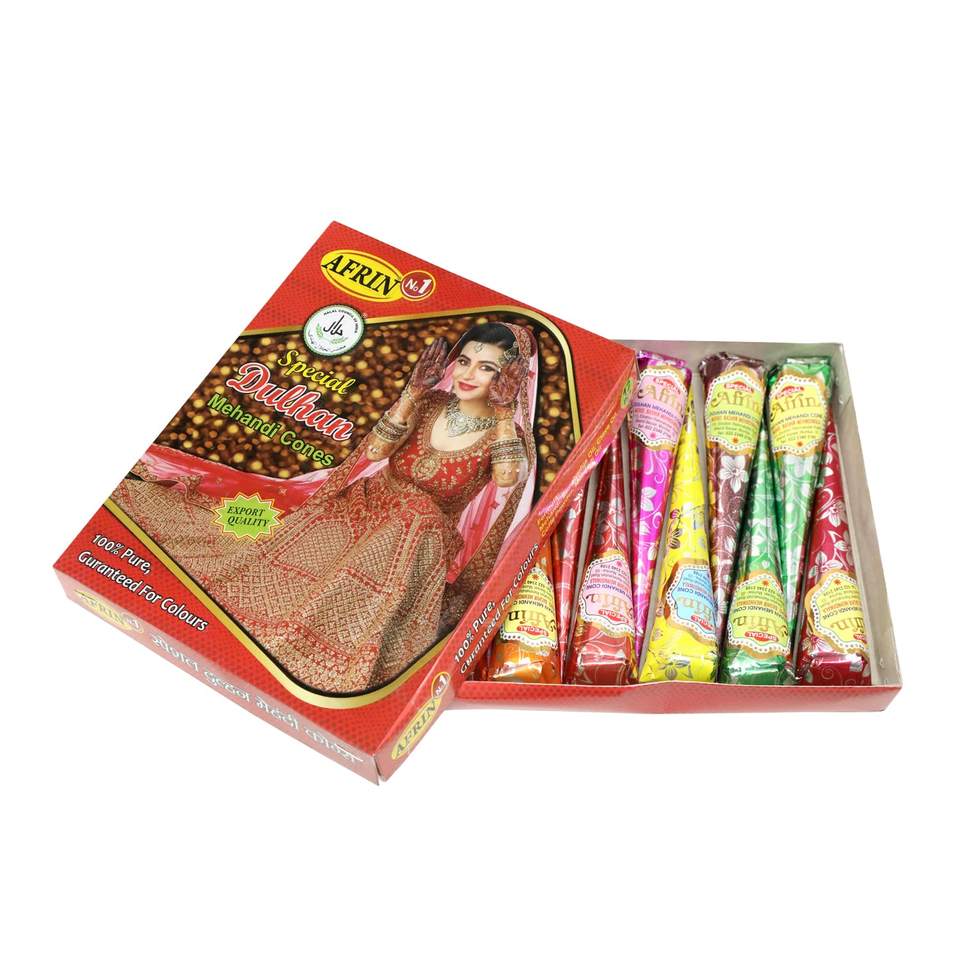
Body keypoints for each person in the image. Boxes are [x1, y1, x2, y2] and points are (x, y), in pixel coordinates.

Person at [112, 321, 537, 694]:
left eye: (487, 368)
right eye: (463, 361)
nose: (467, 374)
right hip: (362, 509)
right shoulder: (428, 405)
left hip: (415, 542)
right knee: (258, 564)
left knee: (417, 516)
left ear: (510, 379)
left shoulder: (507, 434)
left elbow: (506, 478)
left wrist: (503, 413)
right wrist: (412, 392)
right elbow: (376, 451)